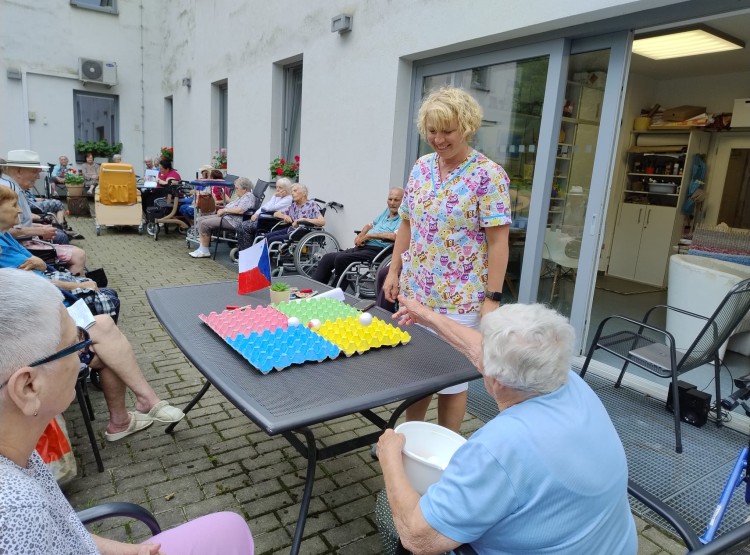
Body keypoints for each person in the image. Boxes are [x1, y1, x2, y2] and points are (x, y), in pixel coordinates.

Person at [0, 269, 255, 554]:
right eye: (75, 345)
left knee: (229, 526)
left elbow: (66, 529)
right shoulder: (17, 513)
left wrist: (128, 550)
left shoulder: (17, 450)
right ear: (28, 387)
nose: (85, 355)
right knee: (231, 530)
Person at [378, 299, 637, 554]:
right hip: (612, 545)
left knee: (389, 508)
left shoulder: (499, 447)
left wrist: (389, 454)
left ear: (497, 381)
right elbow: (483, 351)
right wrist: (427, 316)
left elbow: (418, 537)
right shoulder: (570, 382)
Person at [382, 87, 512, 432]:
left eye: (447, 130)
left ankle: (444, 449)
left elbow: (499, 244)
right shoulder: (422, 167)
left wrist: (491, 300)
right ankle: (411, 439)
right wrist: (394, 270)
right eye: (432, 130)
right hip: (417, 291)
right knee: (416, 371)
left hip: (459, 299)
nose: (438, 139)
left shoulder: (488, 174)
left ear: (467, 127)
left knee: (452, 381)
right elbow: (406, 222)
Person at [0, 186, 119, 320]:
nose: (20, 209)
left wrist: (40, 264)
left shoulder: (4, 235)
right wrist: (79, 286)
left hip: (45, 284)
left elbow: (41, 265)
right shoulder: (2, 250)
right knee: (109, 296)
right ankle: (90, 333)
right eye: (14, 205)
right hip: (44, 301)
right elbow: (35, 283)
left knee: (102, 289)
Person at [1, 150, 87, 275]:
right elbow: (4, 230)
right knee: (78, 254)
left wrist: (40, 227)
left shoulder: (11, 186)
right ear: (19, 171)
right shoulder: (8, 190)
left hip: (18, 244)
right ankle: (71, 287)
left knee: (58, 232)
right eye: (34, 171)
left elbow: (19, 223)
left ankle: (66, 279)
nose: (38, 176)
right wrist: (39, 230)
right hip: (17, 247)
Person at [312, 187, 403, 289]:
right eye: (390, 199)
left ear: (403, 201)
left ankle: (335, 292)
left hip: (378, 250)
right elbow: (370, 225)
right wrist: (361, 234)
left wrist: (368, 236)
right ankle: (316, 289)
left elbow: (395, 236)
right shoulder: (387, 211)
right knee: (327, 258)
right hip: (364, 247)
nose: (392, 203)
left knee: (342, 259)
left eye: (396, 200)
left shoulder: (403, 217)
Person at [188, 177, 256, 258]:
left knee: (204, 223)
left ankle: (204, 250)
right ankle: (202, 247)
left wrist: (225, 210)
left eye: (237, 188)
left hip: (233, 221)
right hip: (227, 217)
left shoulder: (248, 196)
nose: (235, 190)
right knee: (200, 219)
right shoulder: (242, 197)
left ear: (245, 189)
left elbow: (241, 210)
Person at [236, 177, 294, 251]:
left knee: (245, 227)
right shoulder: (279, 196)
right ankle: (243, 251)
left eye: (280, 187)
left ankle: (249, 251)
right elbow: (265, 206)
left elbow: (271, 208)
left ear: (287, 189)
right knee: (240, 226)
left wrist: (274, 196)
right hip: (264, 218)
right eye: (276, 187)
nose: (277, 189)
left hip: (272, 222)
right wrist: (256, 214)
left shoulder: (288, 199)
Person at [260, 183, 325, 247]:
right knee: (266, 237)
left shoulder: (311, 204)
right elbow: (276, 214)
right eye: (292, 192)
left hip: (304, 232)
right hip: (291, 230)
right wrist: (284, 216)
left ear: (304, 193)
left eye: (295, 191)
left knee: (272, 240)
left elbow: (322, 222)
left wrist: (304, 220)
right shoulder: (293, 206)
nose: (292, 193)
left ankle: (268, 257)